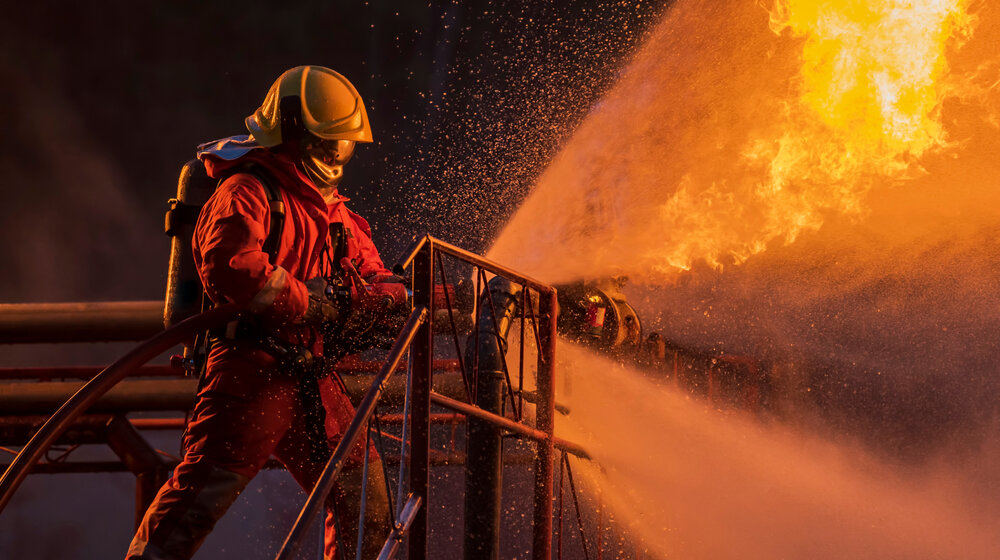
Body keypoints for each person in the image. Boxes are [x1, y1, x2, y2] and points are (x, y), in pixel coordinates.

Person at [127, 65, 403, 560]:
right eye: (331, 141)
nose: (338, 155)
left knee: (367, 502)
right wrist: (312, 304)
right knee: (193, 508)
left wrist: (394, 297)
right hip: (250, 375)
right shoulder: (246, 191)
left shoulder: (331, 208)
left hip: (310, 378)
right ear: (295, 133)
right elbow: (232, 267)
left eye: (344, 144)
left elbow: (371, 272)